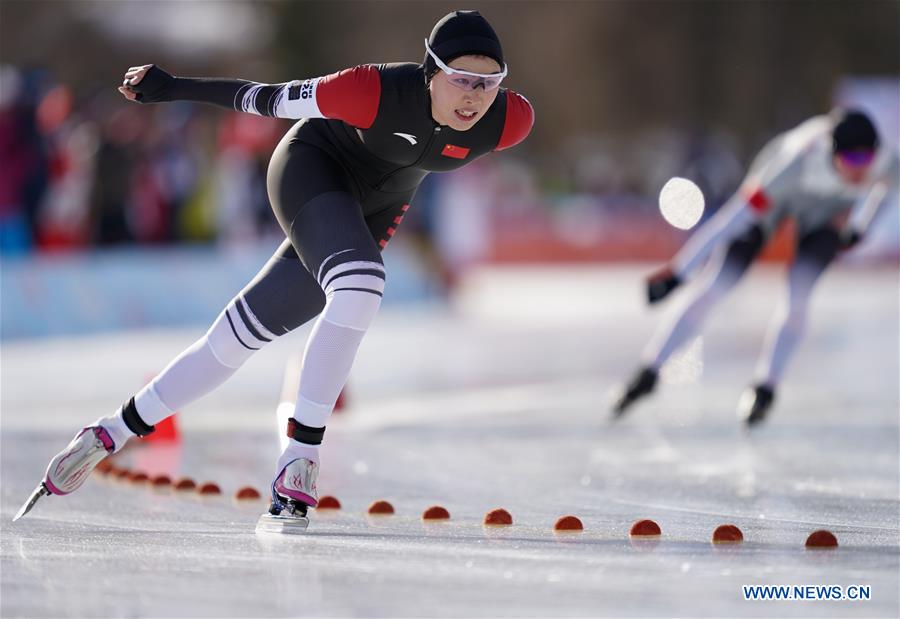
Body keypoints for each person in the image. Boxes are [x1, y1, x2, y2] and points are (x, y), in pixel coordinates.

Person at [16, 11, 534, 528]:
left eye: (489, 83)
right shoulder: (369, 90)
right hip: (311, 171)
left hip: (372, 210)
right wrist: (172, 87)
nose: (474, 96)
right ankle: (300, 458)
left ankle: (111, 432)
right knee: (361, 286)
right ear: (430, 71)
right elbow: (263, 97)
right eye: (462, 79)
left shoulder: (509, 120)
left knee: (238, 336)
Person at [612, 109, 898, 428]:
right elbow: (732, 218)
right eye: (853, 161)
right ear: (833, 154)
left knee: (799, 294)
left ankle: (765, 389)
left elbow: (887, 188)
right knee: (718, 284)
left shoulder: (885, 161)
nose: (862, 170)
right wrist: (679, 272)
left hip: (823, 215)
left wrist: (861, 227)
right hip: (773, 202)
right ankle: (649, 371)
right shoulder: (791, 167)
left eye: (867, 159)